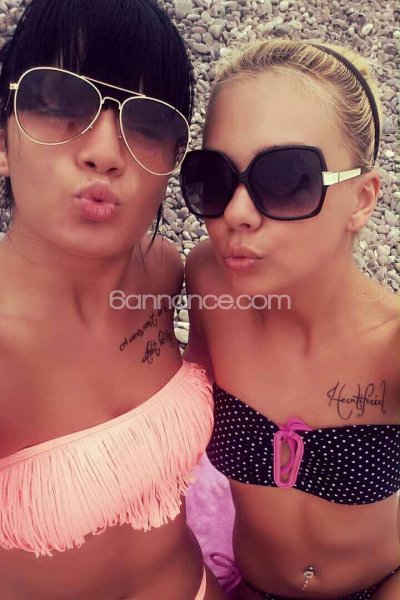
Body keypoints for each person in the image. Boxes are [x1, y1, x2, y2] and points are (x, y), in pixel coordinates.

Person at [0, 1, 225, 598]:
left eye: (147, 122)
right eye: (58, 100)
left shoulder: (164, 272)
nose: (104, 151)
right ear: (2, 140)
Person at [181, 39, 400, 600]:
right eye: (215, 178)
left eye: (285, 179)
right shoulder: (209, 280)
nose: (235, 213)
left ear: (362, 200)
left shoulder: (392, 344)